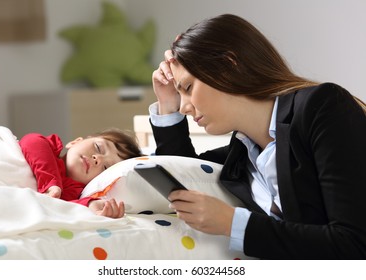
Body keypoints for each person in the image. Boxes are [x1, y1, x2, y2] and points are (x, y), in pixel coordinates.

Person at [150, 14, 366, 259]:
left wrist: (233, 223)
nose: (184, 107)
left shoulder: (322, 106)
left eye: (188, 88)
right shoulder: (240, 157)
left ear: (227, 66)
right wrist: (166, 104)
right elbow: (184, 175)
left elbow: (355, 244)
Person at [19, 128, 142, 218]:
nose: (97, 159)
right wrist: (51, 184)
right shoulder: (49, 148)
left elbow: (63, 208)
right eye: (98, 148)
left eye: (105, 168)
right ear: (75, 142)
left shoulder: (74, 192)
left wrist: (91, 205)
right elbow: (31, 141)